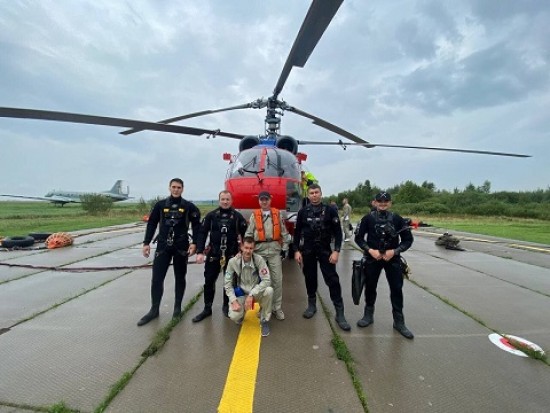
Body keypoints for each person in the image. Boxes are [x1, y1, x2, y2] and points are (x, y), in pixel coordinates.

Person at [138, 178, 201, 326]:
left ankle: (177, 308)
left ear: (182, 189)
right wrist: (146, 243)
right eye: (173, 187)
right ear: (169, 188)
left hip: (181, 246)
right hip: (163, 246)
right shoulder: (160, 205)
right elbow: (152, 223)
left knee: (180, 277)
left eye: (179, 187)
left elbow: (197, 226)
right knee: (157, 279)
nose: (176, 190)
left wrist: (195, 244)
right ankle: (154, 309)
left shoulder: (188, 206)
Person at [354, 191, 414, 339]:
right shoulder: (368, 218)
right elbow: (359, 238)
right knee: (370, 287)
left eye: (385, 201)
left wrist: (395, 251)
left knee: (396, 289)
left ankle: (399, 321)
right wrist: (369, 250)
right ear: (375, 202)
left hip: (391, 259)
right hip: (372, 257)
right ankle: (368, 315)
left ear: (390, 203)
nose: (382, 203)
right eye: (379, 201)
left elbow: (407, 240)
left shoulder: (397, 219)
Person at [293, 184, 351, 331]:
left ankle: (340, 312)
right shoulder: (303, 212)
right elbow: (297, 233)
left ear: (321, 193)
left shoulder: (330, 210)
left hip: (326, 251)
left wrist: (337, 251)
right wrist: (296, 251)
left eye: (316, 192)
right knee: (310, 278)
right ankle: (312, 305)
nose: (314, 195)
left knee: (332, 280)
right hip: (308, 251)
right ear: (308, 195)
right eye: (311, 193)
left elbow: (338, 233)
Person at [192, 190, 247, 322]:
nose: (225, 202)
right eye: (223, 199)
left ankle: (226, 306)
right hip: (214, 255)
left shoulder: (238, 217)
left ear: (231, 201)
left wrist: (244, 250)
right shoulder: (211, 216)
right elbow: (202, 234)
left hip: (232, 256)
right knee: (209, 281)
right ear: (219, 200)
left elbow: (246, 235)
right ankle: (207, 308)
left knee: (229, 282)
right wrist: (199, 252)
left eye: (228, 199)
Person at [245, 191, 290, 320]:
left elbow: (284, 232)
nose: (264, 202)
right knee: (260, 281)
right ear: (259, 201)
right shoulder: (255, 215)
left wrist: (285, 248)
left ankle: (277, 308)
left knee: (277, 280)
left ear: (270, 200)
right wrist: (247, 250)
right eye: (261, 199)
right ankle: (262, 308)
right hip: (259, 251)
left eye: (266, 199)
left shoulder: (277, 214)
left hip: (275, 250)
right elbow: (249, 233)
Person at [224, 237, 273, 337]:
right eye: (246, 248)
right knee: (234, 316)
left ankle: (264, 320)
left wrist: (251, 294)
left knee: (269, 290)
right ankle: (241, 314)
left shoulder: (259, 260)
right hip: (242, 294)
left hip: (255, 293)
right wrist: (233, 300)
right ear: (241, 247)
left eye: (251, 248)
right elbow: (227, 284)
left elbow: (267, 280)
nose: (248, 251)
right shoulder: (233, 262)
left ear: (254, 248)